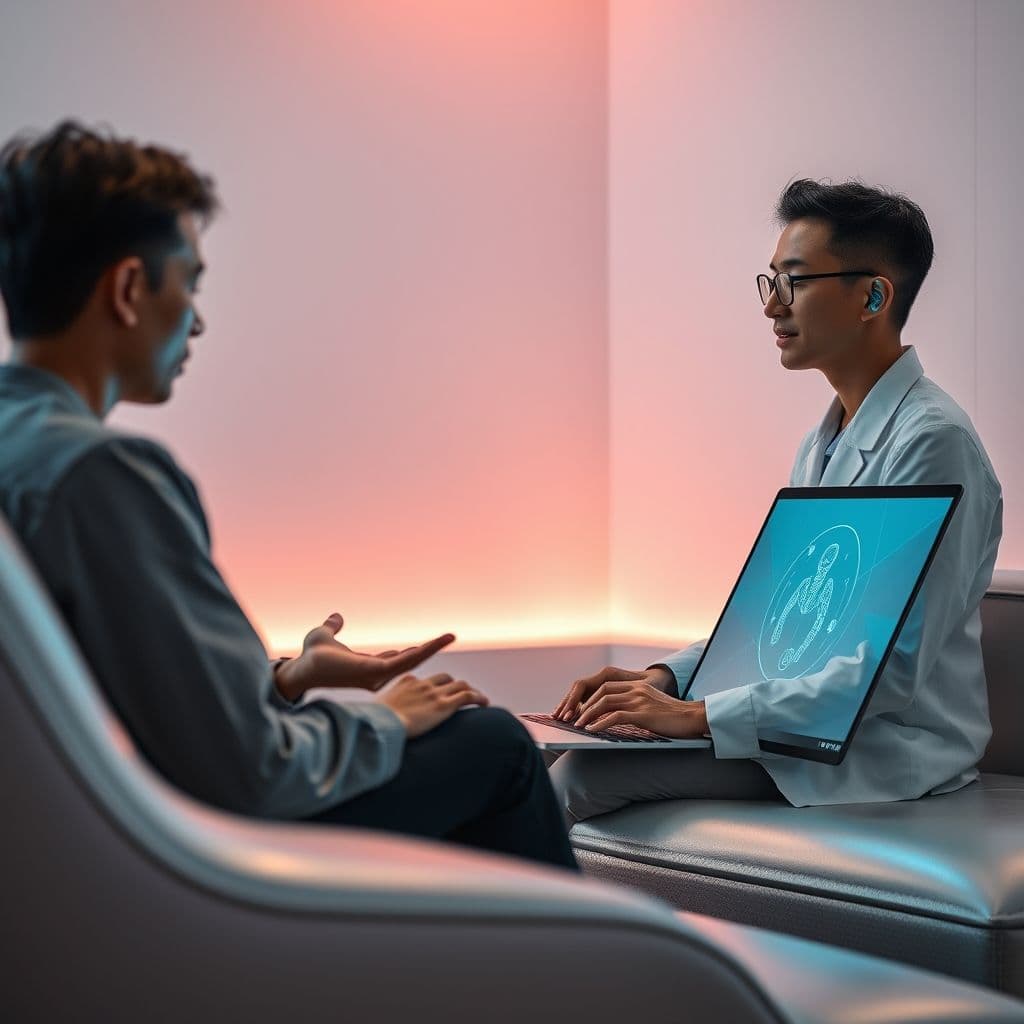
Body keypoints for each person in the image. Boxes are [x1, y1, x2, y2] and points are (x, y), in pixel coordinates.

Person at [0, 120, 576, 871]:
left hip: (75, 855)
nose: (198, 320)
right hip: (190, 854)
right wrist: (386, 723)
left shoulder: (26, 452)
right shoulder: (102, 476)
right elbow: (251, 771)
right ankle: (601, 986)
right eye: (191, 284)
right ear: (131, 288)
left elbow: (128, 699)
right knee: (495, 745)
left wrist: (287, 680)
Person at [550, 179, 1003, 823]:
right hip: (802, 731)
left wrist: (700, 716)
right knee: (556, 752)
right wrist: (665, 680)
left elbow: (888, 672)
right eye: (770, 283)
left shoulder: (936, 443)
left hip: (884, 748)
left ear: (873, 295)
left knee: (580, 777)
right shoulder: (820, 444)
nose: (772, 307)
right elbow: (764, 635)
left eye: (793, 282)